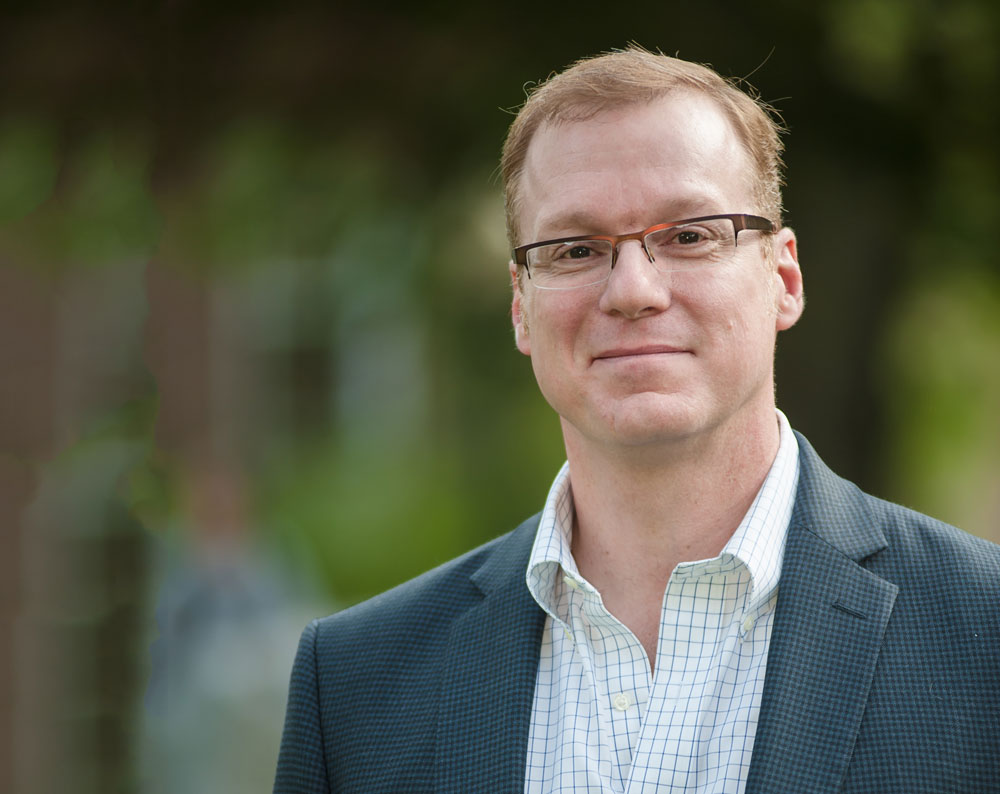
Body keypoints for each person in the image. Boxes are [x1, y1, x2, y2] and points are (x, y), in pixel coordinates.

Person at [273, 47, 1000, 793]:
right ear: (521, 306)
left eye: (689, 236)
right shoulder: (358, 683)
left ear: (782, 279)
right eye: (575, 249)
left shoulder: (985, 633)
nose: (632, 291)